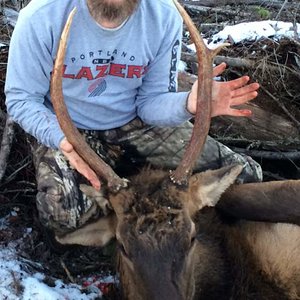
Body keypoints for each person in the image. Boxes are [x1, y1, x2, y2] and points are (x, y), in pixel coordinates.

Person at [5, 0, 262, 237]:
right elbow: (22, 99)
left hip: (133, 123)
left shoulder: (163, 15)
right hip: (65, 130)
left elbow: (150, 103)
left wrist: (189, 104)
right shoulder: (42, 16)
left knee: (244, 176)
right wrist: (61, 139)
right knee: (65, 216)